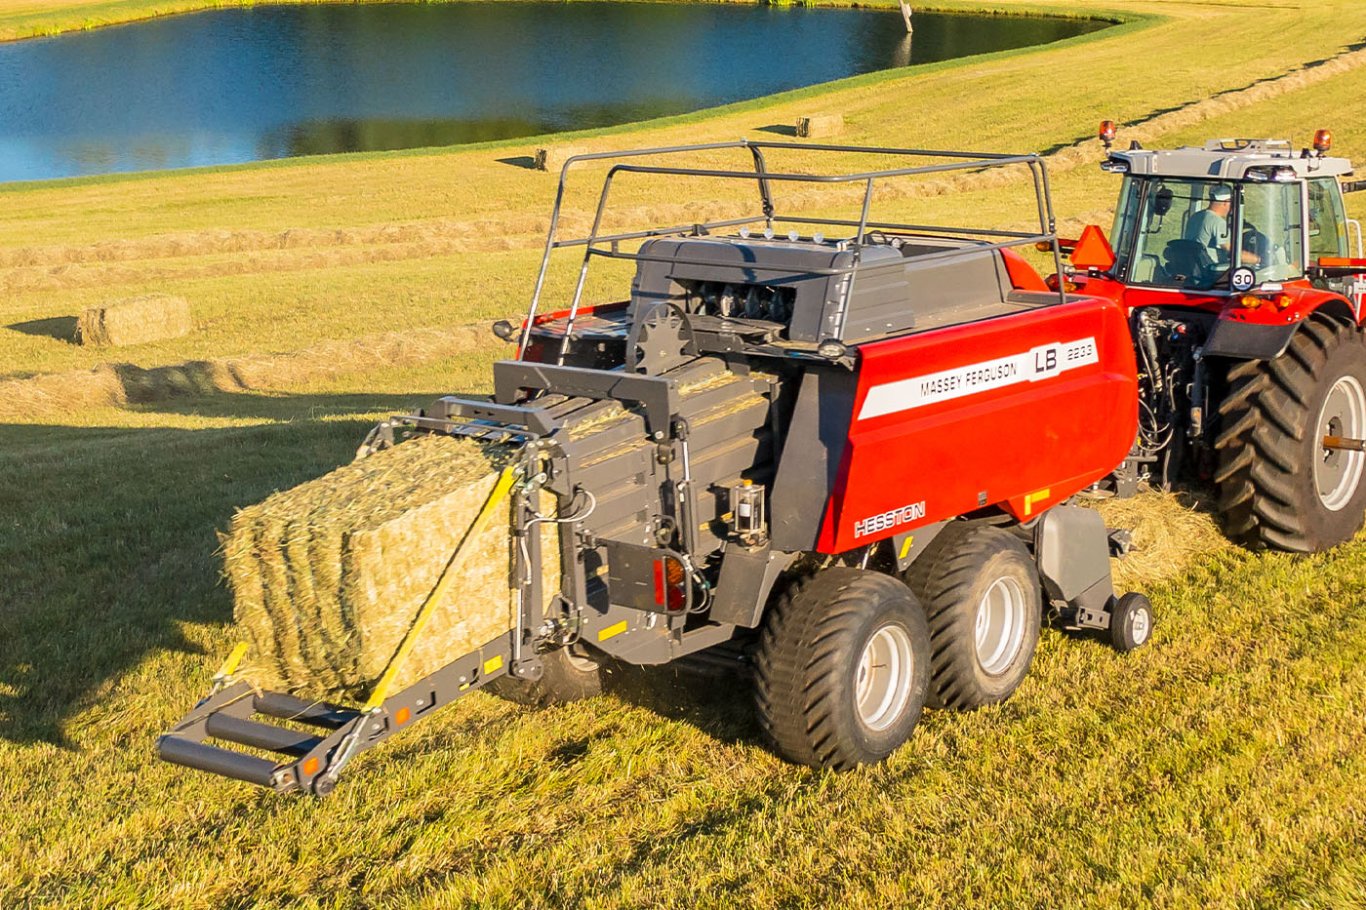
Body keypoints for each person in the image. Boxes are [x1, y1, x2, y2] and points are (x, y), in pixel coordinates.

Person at [1184, 184, 1259, 270]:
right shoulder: (1218, 222)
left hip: (1194, 267)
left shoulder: (1195, 217)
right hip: (1210, 270)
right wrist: (1257, 259)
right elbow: (1232, 251)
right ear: (1226, 202)